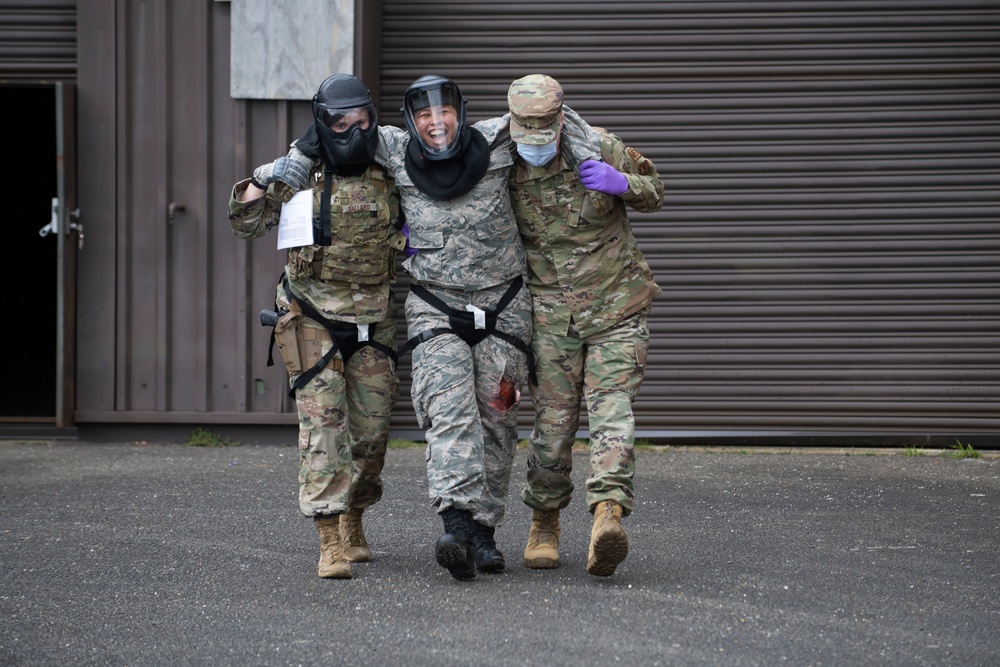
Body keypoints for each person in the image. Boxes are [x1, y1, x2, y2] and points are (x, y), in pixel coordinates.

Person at [372, 75, 601, 580]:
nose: (436, 122)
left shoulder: (498, 138)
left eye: (445, 111)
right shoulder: (391, 148)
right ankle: (456, 525)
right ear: (412, 120)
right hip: (435, 305)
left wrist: (594, 162)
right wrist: (280, 171)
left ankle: (484, 534)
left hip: (505, 305)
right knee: (449, 408)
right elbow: (336, 129)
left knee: (496, 416)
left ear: (462, 112)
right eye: (425, 114)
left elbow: (557, 118)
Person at [228, 74, 405, 580]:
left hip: (373, 318)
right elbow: (245, 224)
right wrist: (263, 177)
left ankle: (354, 517)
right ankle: (329, 537)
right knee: (323, 429)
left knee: (370, 438)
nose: (353, 132)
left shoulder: (390, 164)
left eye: (363, 121)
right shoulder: (301, 170)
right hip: (311, 315)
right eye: (341, 123)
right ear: (322, 123)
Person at [506, 74, 664, 577]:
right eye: (523, 131)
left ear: (558, 120)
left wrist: (624, 184)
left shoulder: (600, 145)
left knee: (612, 413)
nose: (533, 142)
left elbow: (655, 191)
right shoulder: (497, 160)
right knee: (553, 425)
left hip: (617, 304)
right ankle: (544, 522)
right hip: (552, 316)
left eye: (542, 131)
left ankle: (607, 519)